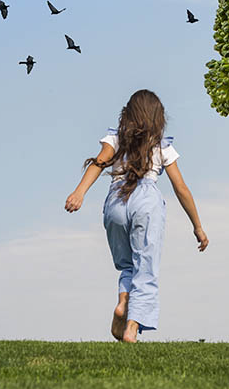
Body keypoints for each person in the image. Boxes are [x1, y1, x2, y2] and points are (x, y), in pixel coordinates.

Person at [64, 89, 208, 343]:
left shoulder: (115, 139)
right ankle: (131, 327)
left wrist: (79, 193)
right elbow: (181, 188)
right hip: (147, 201)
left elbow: (98, 163)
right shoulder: (162, 145)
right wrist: (197, 226)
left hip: (117, 201)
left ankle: (123, 302)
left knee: (127, 264)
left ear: (128, 113)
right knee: (146, 267)